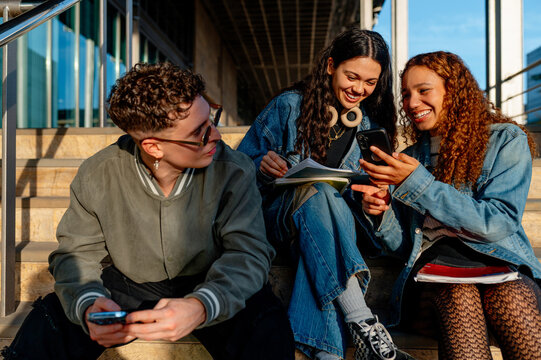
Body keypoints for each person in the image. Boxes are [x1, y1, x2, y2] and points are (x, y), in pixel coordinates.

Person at [2, 62, 295, 360]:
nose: (217, 136)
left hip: (212, 278)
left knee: (268, 328)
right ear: (153, 147)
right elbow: (75, 254)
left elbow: (249, 253)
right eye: (200, 133)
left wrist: (203, 304)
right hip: (131, 285)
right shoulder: (98, 173)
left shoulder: (234, 169)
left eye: (211, 119)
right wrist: (89, 305)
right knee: (48, 322)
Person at [238, 28, 414, 360]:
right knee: (319, 189)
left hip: (335, 235)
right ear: (331, 66)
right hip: (281, 224)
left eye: (370, 82)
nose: (359, 89)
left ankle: (329, 354)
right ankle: (361, 318)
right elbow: (236, 168)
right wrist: (260, 163)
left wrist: (375, 206)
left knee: (318, 241)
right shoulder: (289, 106)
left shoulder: (370, 128)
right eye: (353, 76)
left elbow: (380, 216)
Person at [354, 51, 541, 359]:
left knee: (509, 295)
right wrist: (382, 211)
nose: (412, 103)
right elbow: (401, 246)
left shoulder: (506, 140)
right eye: (406, 95)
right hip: (434, 281)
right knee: (457, 294)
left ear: (454, 91)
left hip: (500, 268)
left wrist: (417, 183)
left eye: (423, 91)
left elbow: (496, 223)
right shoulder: (411, 158)